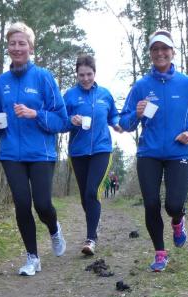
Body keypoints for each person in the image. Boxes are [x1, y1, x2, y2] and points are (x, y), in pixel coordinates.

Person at [119, 29, 188, 272]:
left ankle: (178, 221)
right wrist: (136, 114)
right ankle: (160, 253)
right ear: (150, 53)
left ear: (172, 52)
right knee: (150, 204)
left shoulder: (187, 83)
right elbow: (124, 122)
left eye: (164, 48)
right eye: (155, 49)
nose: (160, 53)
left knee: (173, 205)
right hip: (149, 153)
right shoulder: (141, 86)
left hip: (179, 151)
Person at [0, 22, 69, 276]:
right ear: (8, 48)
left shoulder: (43, 77)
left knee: (42, 205)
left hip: (41, 153)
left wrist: (36, 114)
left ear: (31, 48)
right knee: (22, 204)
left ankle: (54, 228)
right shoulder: (1, 82)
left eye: (22, 43)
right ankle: (32, 257)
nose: (17, 48)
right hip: (11, 153)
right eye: (12, 43)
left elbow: (62, 120)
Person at [63, 54, 122, 256]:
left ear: (95, 73)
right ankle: (94, 225)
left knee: (92, 191)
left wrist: (117, 123)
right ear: (77, 75)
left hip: (101, 149)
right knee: (84, 197)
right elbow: (60, 121)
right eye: (81, 75)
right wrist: (71, 120)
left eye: (89, 74)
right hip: (78, 152)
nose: (86, 78)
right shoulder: (70, 95)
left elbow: (113, 115)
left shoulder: (105, 94)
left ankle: (91, 239)